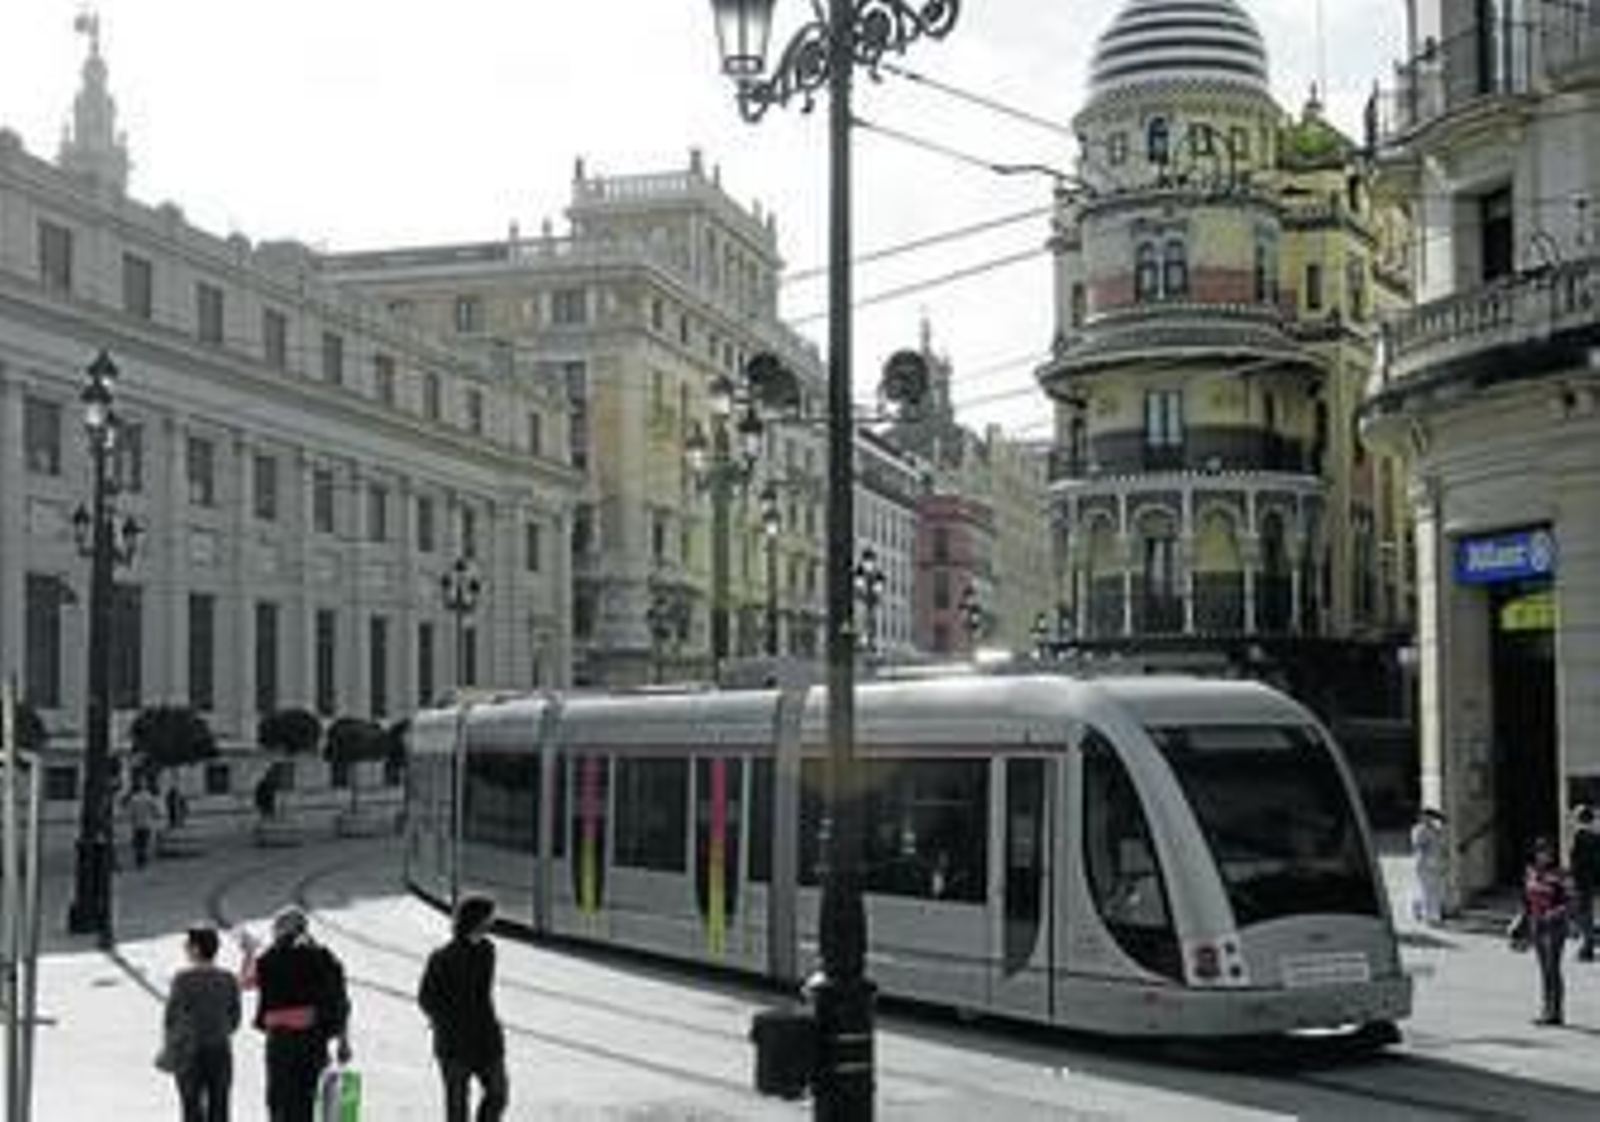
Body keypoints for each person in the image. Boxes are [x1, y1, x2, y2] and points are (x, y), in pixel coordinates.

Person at [241, 907, 352, 1122]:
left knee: (280, 1101)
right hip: (314, 1039)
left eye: (276, 928)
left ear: (283, 930)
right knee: (311, 1099)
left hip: (281, 1041)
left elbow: (246, 982)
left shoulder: (271, 957)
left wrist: (249, 953)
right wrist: (343, 1042)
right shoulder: (324, 957)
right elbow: (341, 1003)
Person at [419, 895, 508, 1122]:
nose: (491, 924)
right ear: (477, 921)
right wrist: (446, 1020)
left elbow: (482, 995)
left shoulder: (487, 951)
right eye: (489, 919)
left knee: (498, 1094)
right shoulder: (442, 957)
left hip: (486, 1040)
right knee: (457, 1109)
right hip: (454, 1044)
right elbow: (426, 998)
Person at [162, 925, 242, 1122]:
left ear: (196, 949)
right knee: (220, 1106)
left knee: (191, 1107)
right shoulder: (228, 978)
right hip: (220, 1049)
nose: (185, 949)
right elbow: (235, 1018)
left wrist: (171, 1045)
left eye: (187, 946)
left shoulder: (182, 980)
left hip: (189, 1051)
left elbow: (171, 1018)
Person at [1522, 836, 1573, 1026]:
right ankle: (1546, 1009)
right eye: (1541, 852)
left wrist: (1554, 913)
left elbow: (1570, 902)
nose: (1545, 856)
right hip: (1537, 923)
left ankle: (1556, 1012)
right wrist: (1522, 920)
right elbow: (1526, 898)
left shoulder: (1560, 874)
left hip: (1555, 926)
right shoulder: (1530, 872)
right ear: (1535, 854)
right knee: (1544, 969)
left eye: (1548, 852)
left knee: (1553, 968)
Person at [1570, 805, 1600, 962]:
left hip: (1582, 882)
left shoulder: (1580, 835)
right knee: (1585, 913)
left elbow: (1578, 863)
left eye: (1575, 816)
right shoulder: (1595, 836)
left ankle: (1587, 947)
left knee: (1584, 915)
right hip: (1591, 881)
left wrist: (1574, 880)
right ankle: (1588, 944)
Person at [1409, 807, 1448, 926]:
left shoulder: (1436, 830)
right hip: (1424, 862)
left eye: (1431, 817)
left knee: (1432, 889)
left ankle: (1417, 908)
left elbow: (1441, 845)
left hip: (1435, 862)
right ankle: (1431, 917)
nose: (1429, 819)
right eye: (1427, 817)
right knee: (1428, 890)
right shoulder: (1418, 830)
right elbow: (1418, 845)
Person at [126, 780, 164, 868]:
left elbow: (130, 813)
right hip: (147, 824)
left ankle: (140, 860)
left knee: (138, 844)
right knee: (144, 843)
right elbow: (156, 809)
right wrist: (156, 815)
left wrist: (132, 820)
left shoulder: (134, 799)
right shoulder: (149, 797)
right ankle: (143, 860)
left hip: (137, 825)